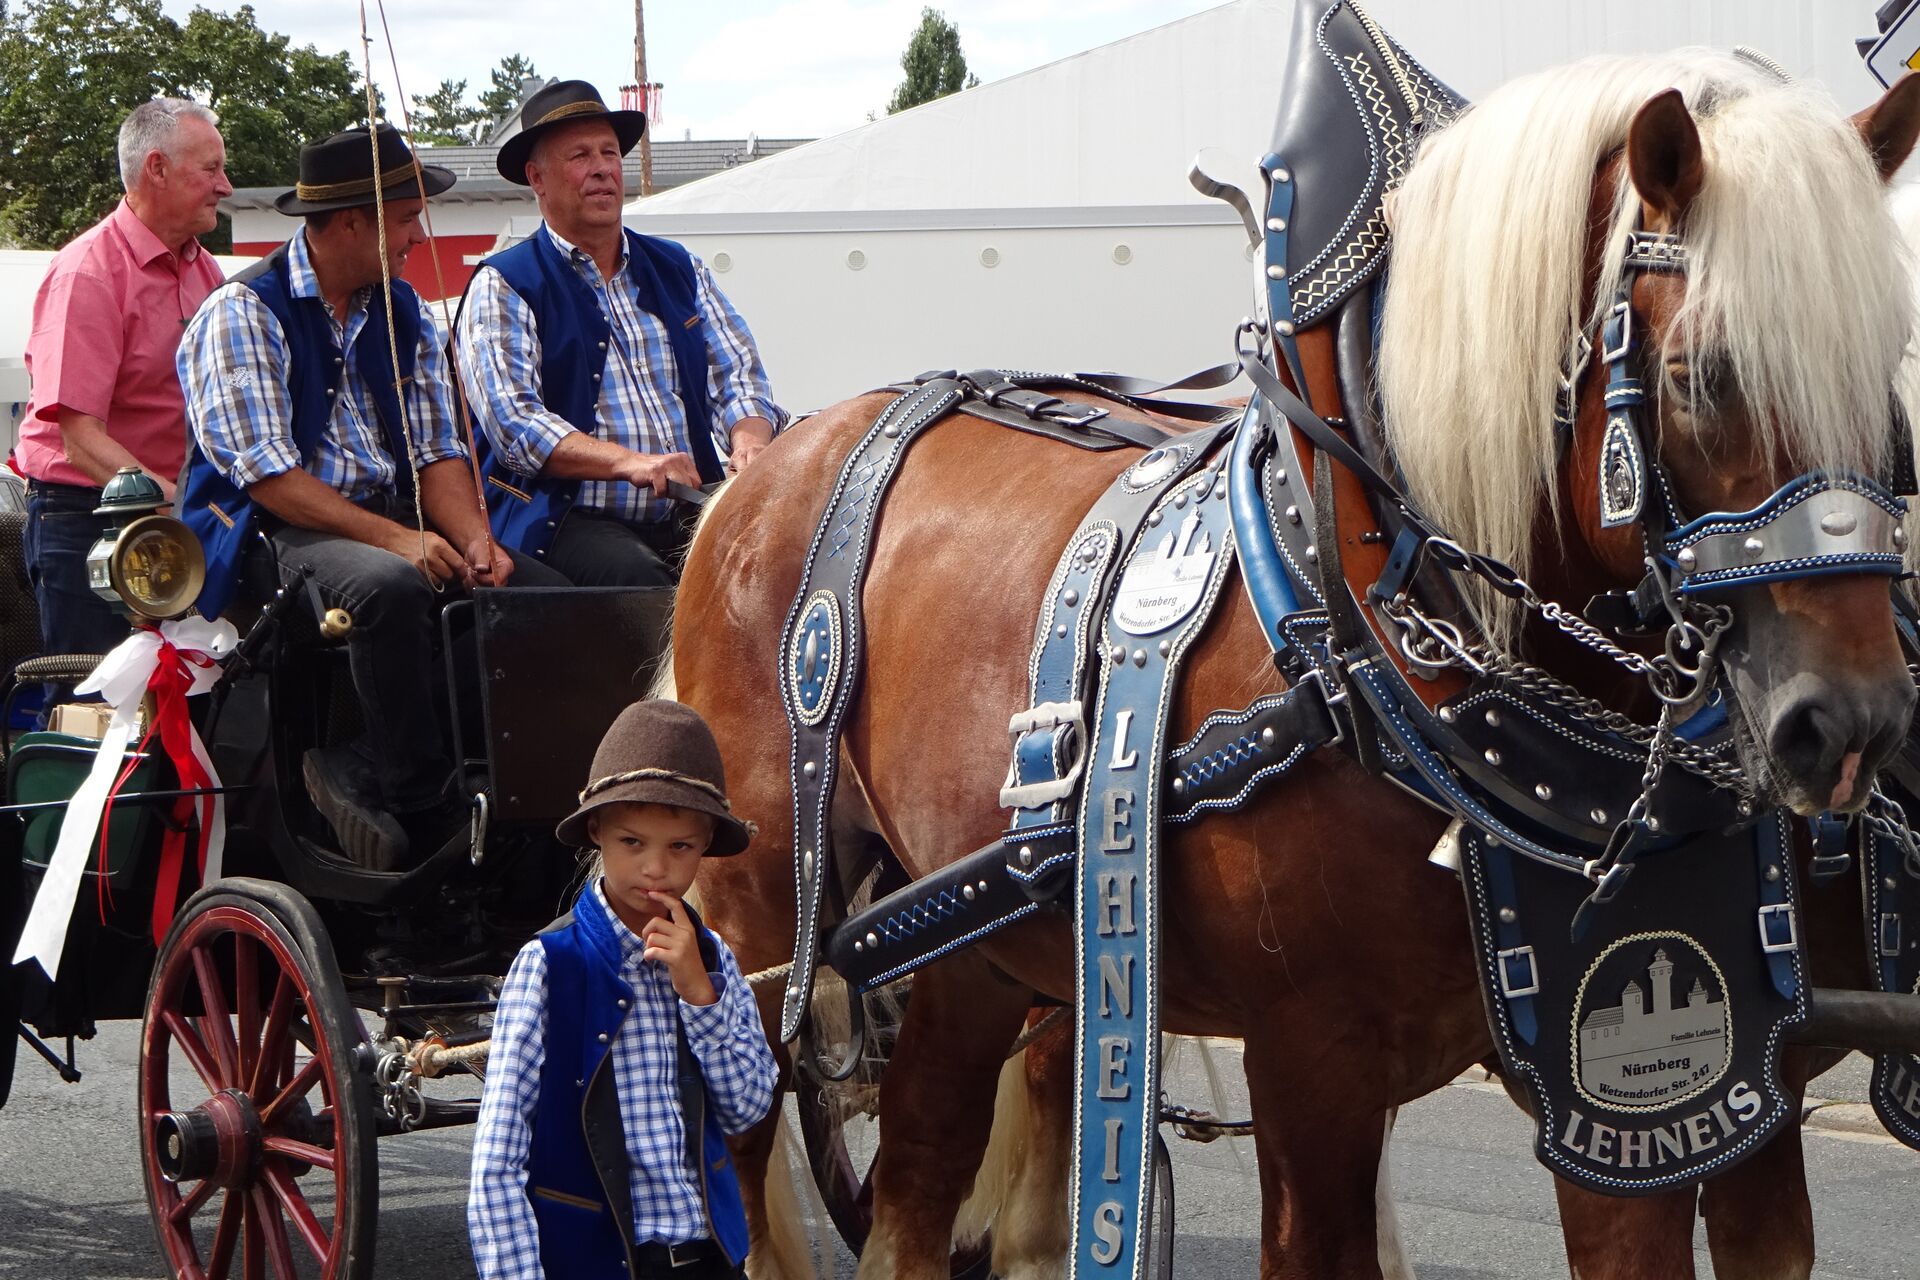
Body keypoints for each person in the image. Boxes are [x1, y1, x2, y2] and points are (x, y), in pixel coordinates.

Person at [177, 123, 567, 870]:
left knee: (541, 598)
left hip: (376, 523)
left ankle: (390, 766)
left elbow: (437, 450)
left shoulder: (402, 309)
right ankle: (415, 800)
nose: (419, 236)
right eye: (408, 218)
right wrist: (397, 540)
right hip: (266, 535)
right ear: (354, 222)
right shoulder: (243, 311)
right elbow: (270, 480)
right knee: (389, 587)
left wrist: (475, 539)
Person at [469, 698, 777, 1280]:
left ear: (705, 844)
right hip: (597, 1263)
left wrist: (700, 995)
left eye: (679, 847)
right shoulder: (549, 966)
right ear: (598, 833)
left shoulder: (713, 959)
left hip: (711, 1259)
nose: (656, 869)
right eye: (633, 842)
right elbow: (498, 1157)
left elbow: (747, 1110)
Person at [456, 80, 788, 587]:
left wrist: (750, 444)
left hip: (688, 507)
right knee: (646, 585)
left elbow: (737, 375)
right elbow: (514, 426)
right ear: (536, 178)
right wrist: (631, 463)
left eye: (609, 152)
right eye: (580, 156)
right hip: (564, 518)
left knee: (784, 565)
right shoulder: (504, 283)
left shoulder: (679, 267)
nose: (602, 168)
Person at [13, 97, 231, 659]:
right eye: (211, 169)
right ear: (157, 168)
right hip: (86, 518)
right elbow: (80, 440)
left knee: (186, 693)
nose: (226, 186)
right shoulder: (87, 271)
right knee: (97, 700)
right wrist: (190, 509)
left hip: (169, 515)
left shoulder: (204, 269)